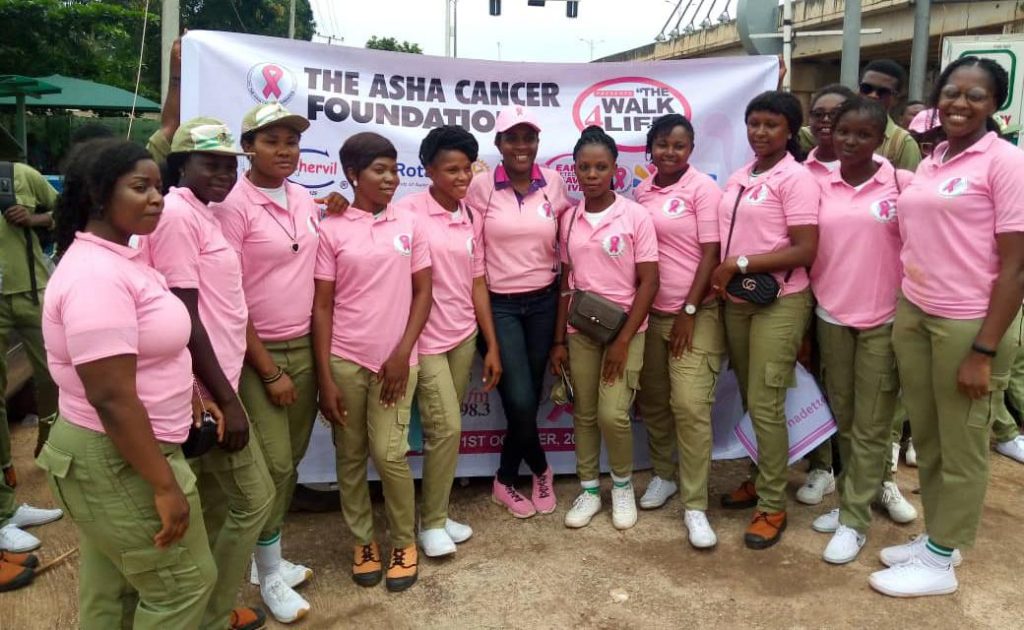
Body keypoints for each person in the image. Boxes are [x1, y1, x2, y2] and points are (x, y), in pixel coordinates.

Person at [38, 138, 216, 627]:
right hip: (122, 457)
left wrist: (192, 397)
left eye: (159, 186)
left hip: (127, 449)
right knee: (182, 586)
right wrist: (163, 485)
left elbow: (150, 355)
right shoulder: (96, 276)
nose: (156, 198)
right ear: (97, 194)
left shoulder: (122, 259)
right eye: (140, 187)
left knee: (113, 592)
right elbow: (111, 396)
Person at [870, 57, 1024, 598]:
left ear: (995, 103)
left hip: (968, 321)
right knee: (930, 435)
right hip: (916, 310)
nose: (959, 103)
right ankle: (941, 536)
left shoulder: (1006, 163)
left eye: (975, 95)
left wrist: (983, 349)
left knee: (962, 441)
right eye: (951, 92)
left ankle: (940, 563)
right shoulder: (935, 158)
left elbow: (1017, 266)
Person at [140, 118, 274, 629]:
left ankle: (202, 612)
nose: (222, 171)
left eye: (228, 163)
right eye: (209, 162)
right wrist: (224, 398)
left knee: (215, 501)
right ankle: (212, 614)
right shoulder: (177, 214)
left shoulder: (205, 213)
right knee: (254, 499)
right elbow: (184, 315)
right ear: (180, 165)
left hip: (218, 377)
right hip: (205, 387)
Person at [214, 102, 319, 621]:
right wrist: (269, 369)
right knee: (274, 464)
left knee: (292, 459)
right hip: (256, 353)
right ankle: (270, 577)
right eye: (272, 140)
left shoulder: (303, 197)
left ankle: (265, 558)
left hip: (305, 345)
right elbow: (231, 298)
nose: (285, 150)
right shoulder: (233, 205)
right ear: (247, 145)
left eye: (292, 141)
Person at [314, 132, 432, 592]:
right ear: (352, 175)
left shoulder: (410, 224)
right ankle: (363, 542)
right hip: (345, 360)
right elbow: (321, 306)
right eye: (378, 170)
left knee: (390, 455)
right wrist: (326, 377)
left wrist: (403, 353)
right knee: (350, 457)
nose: (389, 178)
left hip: (397, 362)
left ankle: (405, 541)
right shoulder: (332, 227)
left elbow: (423, 292)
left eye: (393, 169)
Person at [800, 88, 920, 525]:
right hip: (830, 314)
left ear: (879, 138)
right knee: (846, 416)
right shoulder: (816, 184)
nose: (849, 141)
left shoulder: (901, 183)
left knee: (874, 421)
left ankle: (855, 515)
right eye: (844, 132)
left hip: (884, 317)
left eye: (862, 134)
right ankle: (854, 493)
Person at [712, 91, 819, 550]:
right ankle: (759, 478)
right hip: (739, 302)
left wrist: (738, 264)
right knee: (754, 399)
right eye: (753, 123)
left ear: (789, 130)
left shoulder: (796, 179)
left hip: (780, 299)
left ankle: (773, 505)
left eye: (770, 124)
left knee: (767, 400)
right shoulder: (741, 175)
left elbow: (805, 249)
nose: (759, 132)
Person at [392, 126, 501, 557]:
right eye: (450, 169)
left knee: (445, 433)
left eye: (466, 169)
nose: (461, 177)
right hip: (426, 340)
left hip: (463, 336)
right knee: (447, 429)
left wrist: (490, 344)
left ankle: (437, 513)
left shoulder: (469, 214)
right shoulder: (406, 213)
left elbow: (477, 284)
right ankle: (431, 523)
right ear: (428, 169)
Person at [464, 106, 573, 518]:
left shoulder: (555, 183)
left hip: (544, 302)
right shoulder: (480, 187)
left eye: (528, 137)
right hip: (500, 306)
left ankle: (506, 477)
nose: (521, 146)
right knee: (522, 400)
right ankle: (542, 468)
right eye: (512, 138)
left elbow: (569, 238)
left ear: (537, 143)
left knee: (528, 397)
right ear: (499, 144)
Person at [550, 126, 659, 531]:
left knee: (613, 415)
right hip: (581, 331)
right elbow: (566, 282)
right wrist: (559, 340)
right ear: (575, 172)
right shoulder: (568, 219)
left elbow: (649, 282)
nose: (592, 174)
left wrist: (624, 340)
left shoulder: (635, 215)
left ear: (615, 169)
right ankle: (589, 489)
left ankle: (622, 485)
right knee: (584, 412)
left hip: (625, 330)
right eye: (584, 167)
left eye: (600, 167)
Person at [632, 114, 724, 548]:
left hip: (696, 313)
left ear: (691, 150)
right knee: (653, 402)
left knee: (689, 406)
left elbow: (712, 253)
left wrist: (689, 308)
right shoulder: (641, 192)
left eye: (680, 145)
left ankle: (695, 505)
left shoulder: (702, 188)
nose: (670, 152)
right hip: (650, 315)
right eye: (663, 144)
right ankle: (665, 475)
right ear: (650, 148)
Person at [0, 158, 63, 562]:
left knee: (58, 375)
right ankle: (3, 510)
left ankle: (49, 446)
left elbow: (66, 212)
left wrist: (37, 218)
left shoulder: (19, 174)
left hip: (34, 290)